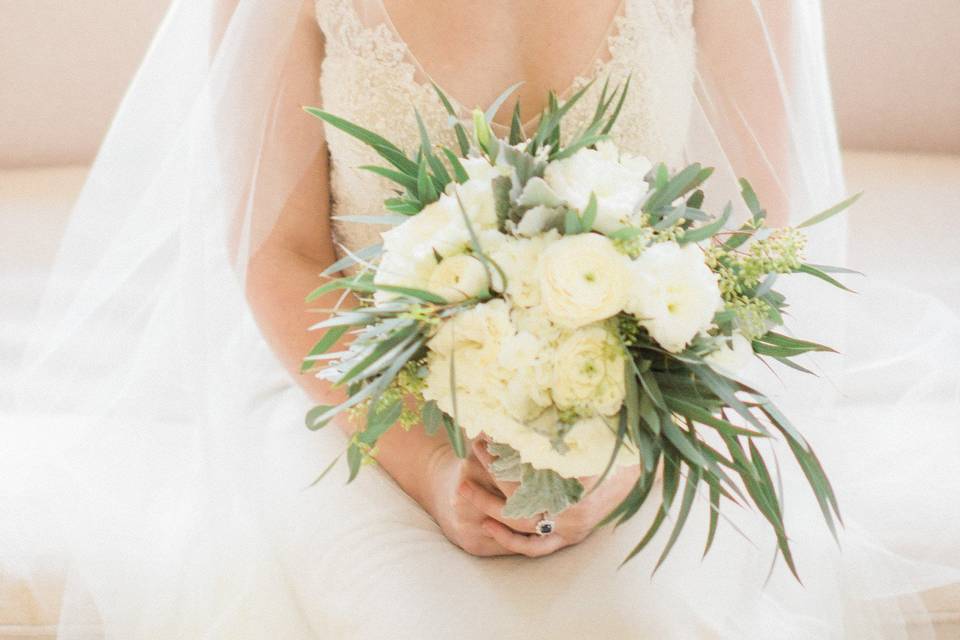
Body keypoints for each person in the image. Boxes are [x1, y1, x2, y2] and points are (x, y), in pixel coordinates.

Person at [6, 1, 959, 637]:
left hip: (653, 414)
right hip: (366, 397)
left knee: (658, 618)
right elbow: (281, 256)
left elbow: (757, 245)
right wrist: (425, 462)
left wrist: (625, 455)